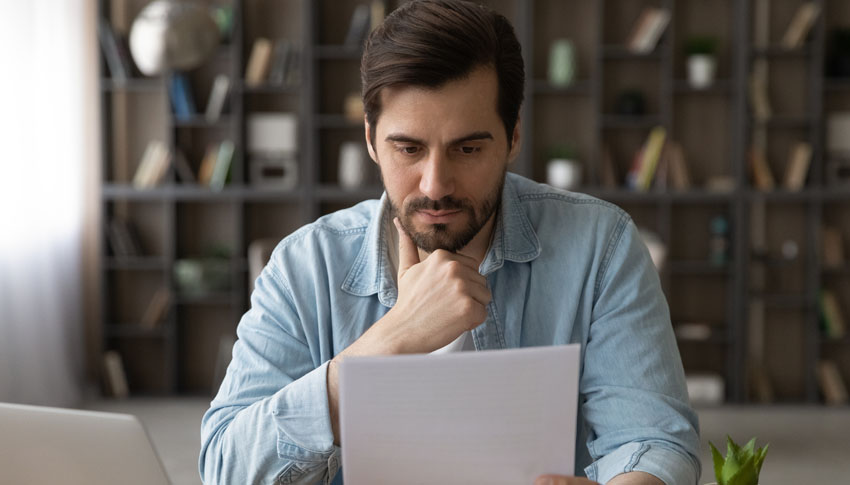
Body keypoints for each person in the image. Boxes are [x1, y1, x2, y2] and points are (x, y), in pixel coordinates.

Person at [200, 1, 701, 484]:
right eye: (409, 148)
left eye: (468, 148)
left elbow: (654, 440)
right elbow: (225, 468)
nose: (435, 184)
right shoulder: (303, 265)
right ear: (372, 139)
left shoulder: (601, 246)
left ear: (513, 136)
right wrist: (388, 343)